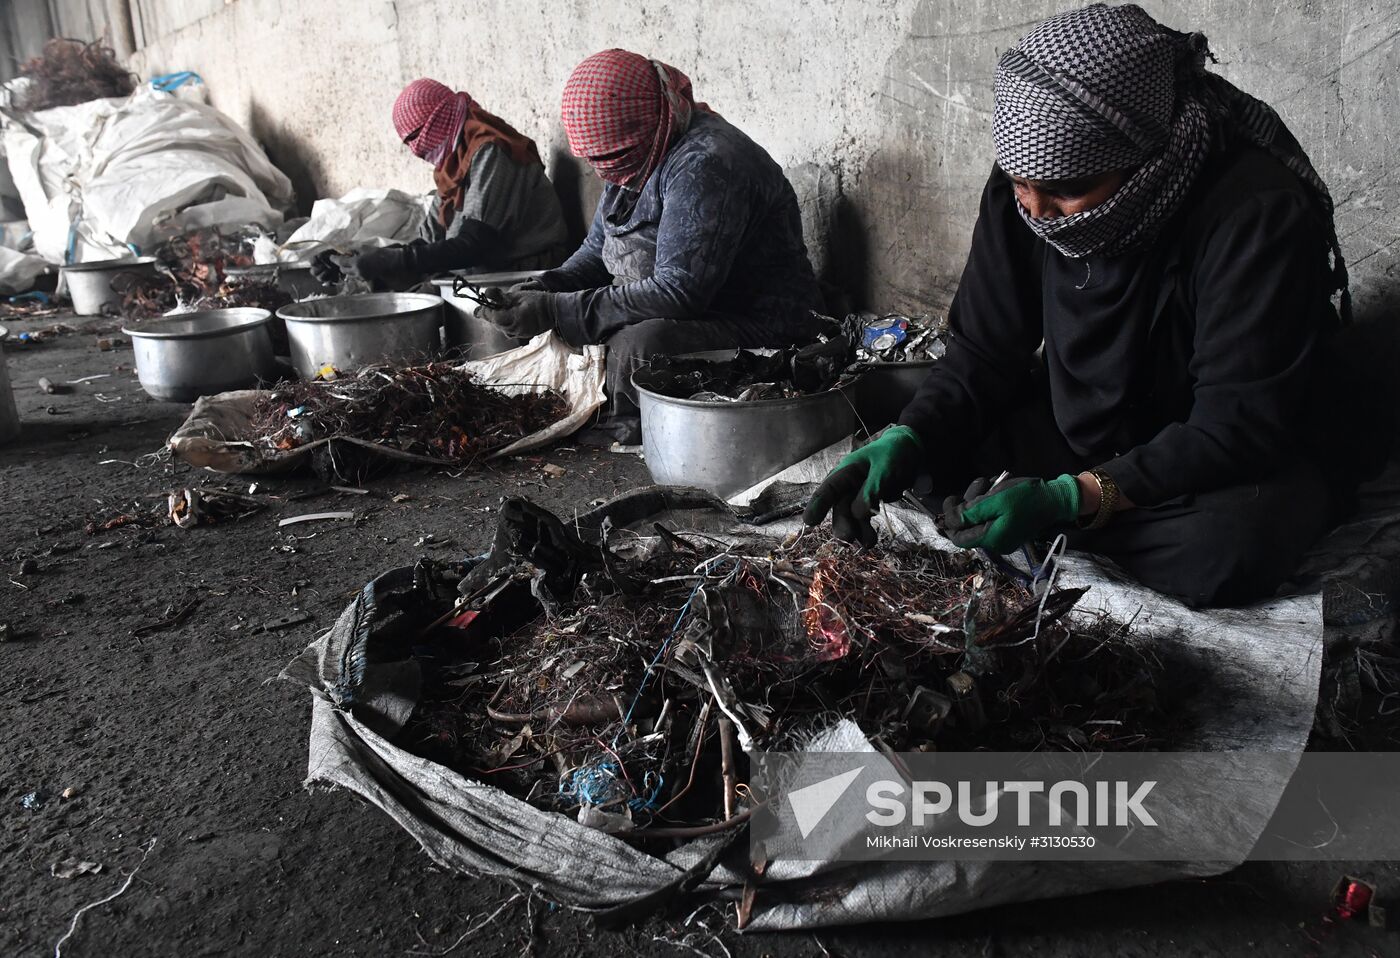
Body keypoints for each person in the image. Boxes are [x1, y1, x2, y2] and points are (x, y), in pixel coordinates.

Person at [805, 3, 1353, 609]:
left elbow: (1235, 425)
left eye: (1067, 192)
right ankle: (1053, 511)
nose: (1038, 212)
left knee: (1229, 547)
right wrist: (910, 435)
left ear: (1141, 159)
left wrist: (1071, 498)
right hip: (1083, 435)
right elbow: (985, 352)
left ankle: (1065, 517)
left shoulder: (1253, 214)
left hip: (1213, 453)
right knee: (937, 461)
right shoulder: (1027, 186)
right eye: (1021, 186)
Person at [478, 49, 823, 443]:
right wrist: (545, 288)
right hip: (691, 312)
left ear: (652, 124)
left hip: (762, 325)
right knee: (575, 330)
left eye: (611, 157)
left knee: (640, 345)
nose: (602, 170)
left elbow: (679, 293)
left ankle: (629, 430)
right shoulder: (640, 154)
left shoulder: (707, 162)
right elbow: (596, 253)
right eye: (594, 160)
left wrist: (556, 310)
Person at [312, 78, 569, 287]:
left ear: (442, 117)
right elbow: (428, 246)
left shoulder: (492, 153)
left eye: (418, 135)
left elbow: (474, 245)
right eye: (408, 142)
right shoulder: (453, 167)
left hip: (524, 275)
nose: (416, 149)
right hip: (484, 273)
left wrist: (394, 261)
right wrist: (352, 260)